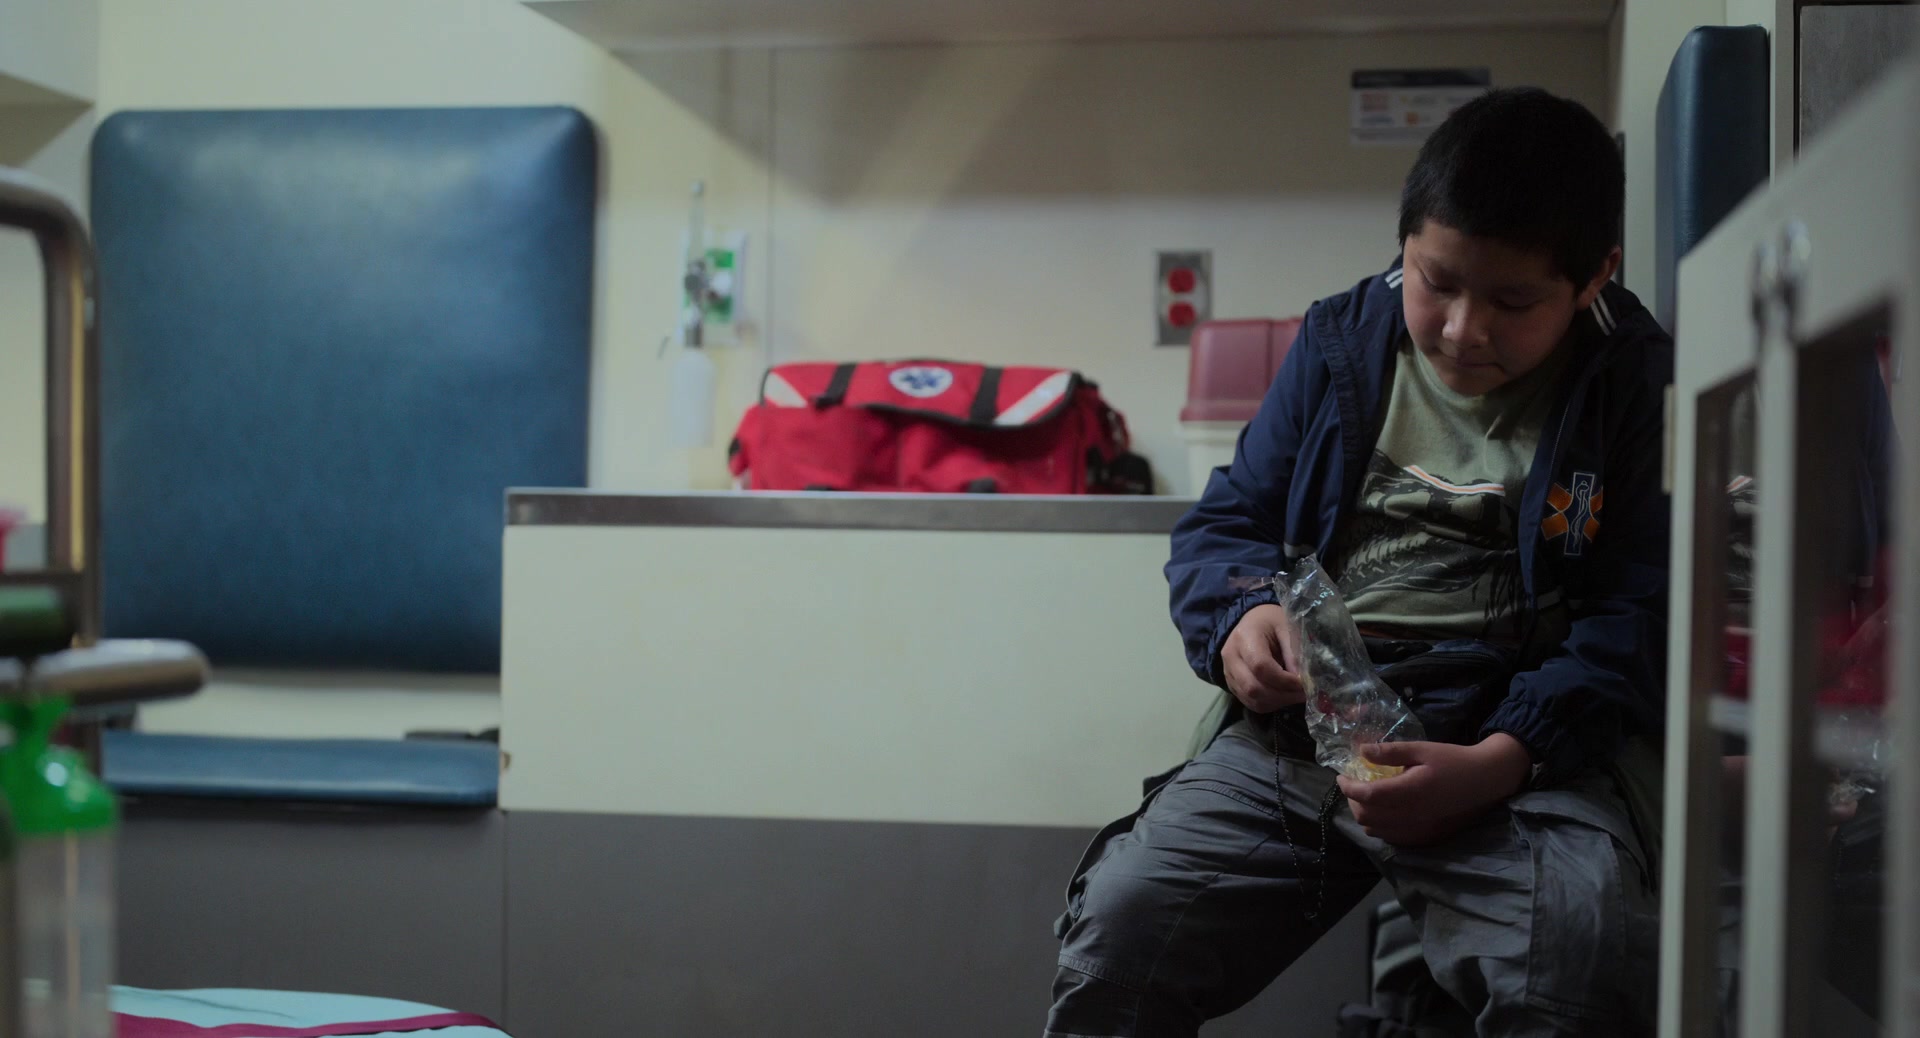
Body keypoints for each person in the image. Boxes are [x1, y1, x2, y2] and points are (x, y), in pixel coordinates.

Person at [1046, 87, 1673, 1038]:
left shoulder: (1635, 379)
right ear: (1404, 243)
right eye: (1436, 282)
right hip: (1311, 734)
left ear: (1595, 278)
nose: (1463, 330)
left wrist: (1502, 760)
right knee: (1120, 931)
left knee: (1577, 961)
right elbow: (1230, 523)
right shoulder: (1343, 337)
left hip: (1519, 749)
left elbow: (1640, 614)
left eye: (1512, 301)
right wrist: (1242, 618)